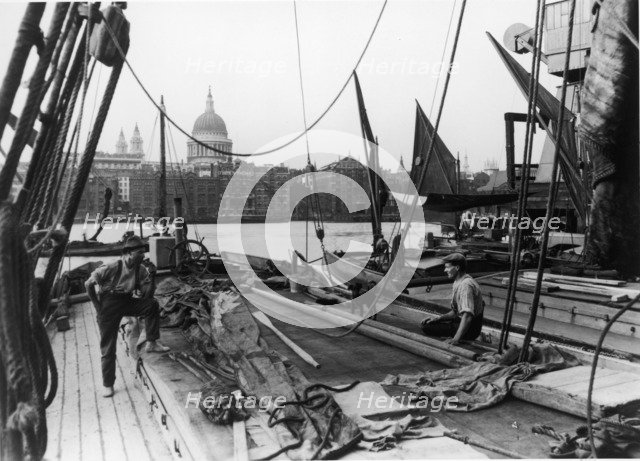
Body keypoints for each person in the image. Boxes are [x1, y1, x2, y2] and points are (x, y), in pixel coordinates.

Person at [85, 236, 169, 397]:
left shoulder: (141, 269)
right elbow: (88, 284)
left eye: (144, 253)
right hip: (108, 305)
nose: (143, 256)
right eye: (139, 253)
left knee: (152, 305)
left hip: (126, 301)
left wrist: (152, 278)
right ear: (128, 253)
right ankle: (108, 384)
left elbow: (146, 297)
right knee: (108, 347)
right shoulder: (112, 267)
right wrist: (97, 307)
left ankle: (151, 342)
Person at [421, 253, 484, 345]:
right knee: (429, 324)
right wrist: (437, 319)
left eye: (447, 267)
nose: (445, 270)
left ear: (457, 268)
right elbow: (455, 312)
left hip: (471, 330)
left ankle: (464, 336)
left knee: (426, 327)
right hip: (464, 321)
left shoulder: (465, 285)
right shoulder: (459, 281)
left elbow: (467, 316)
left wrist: (455, 339)